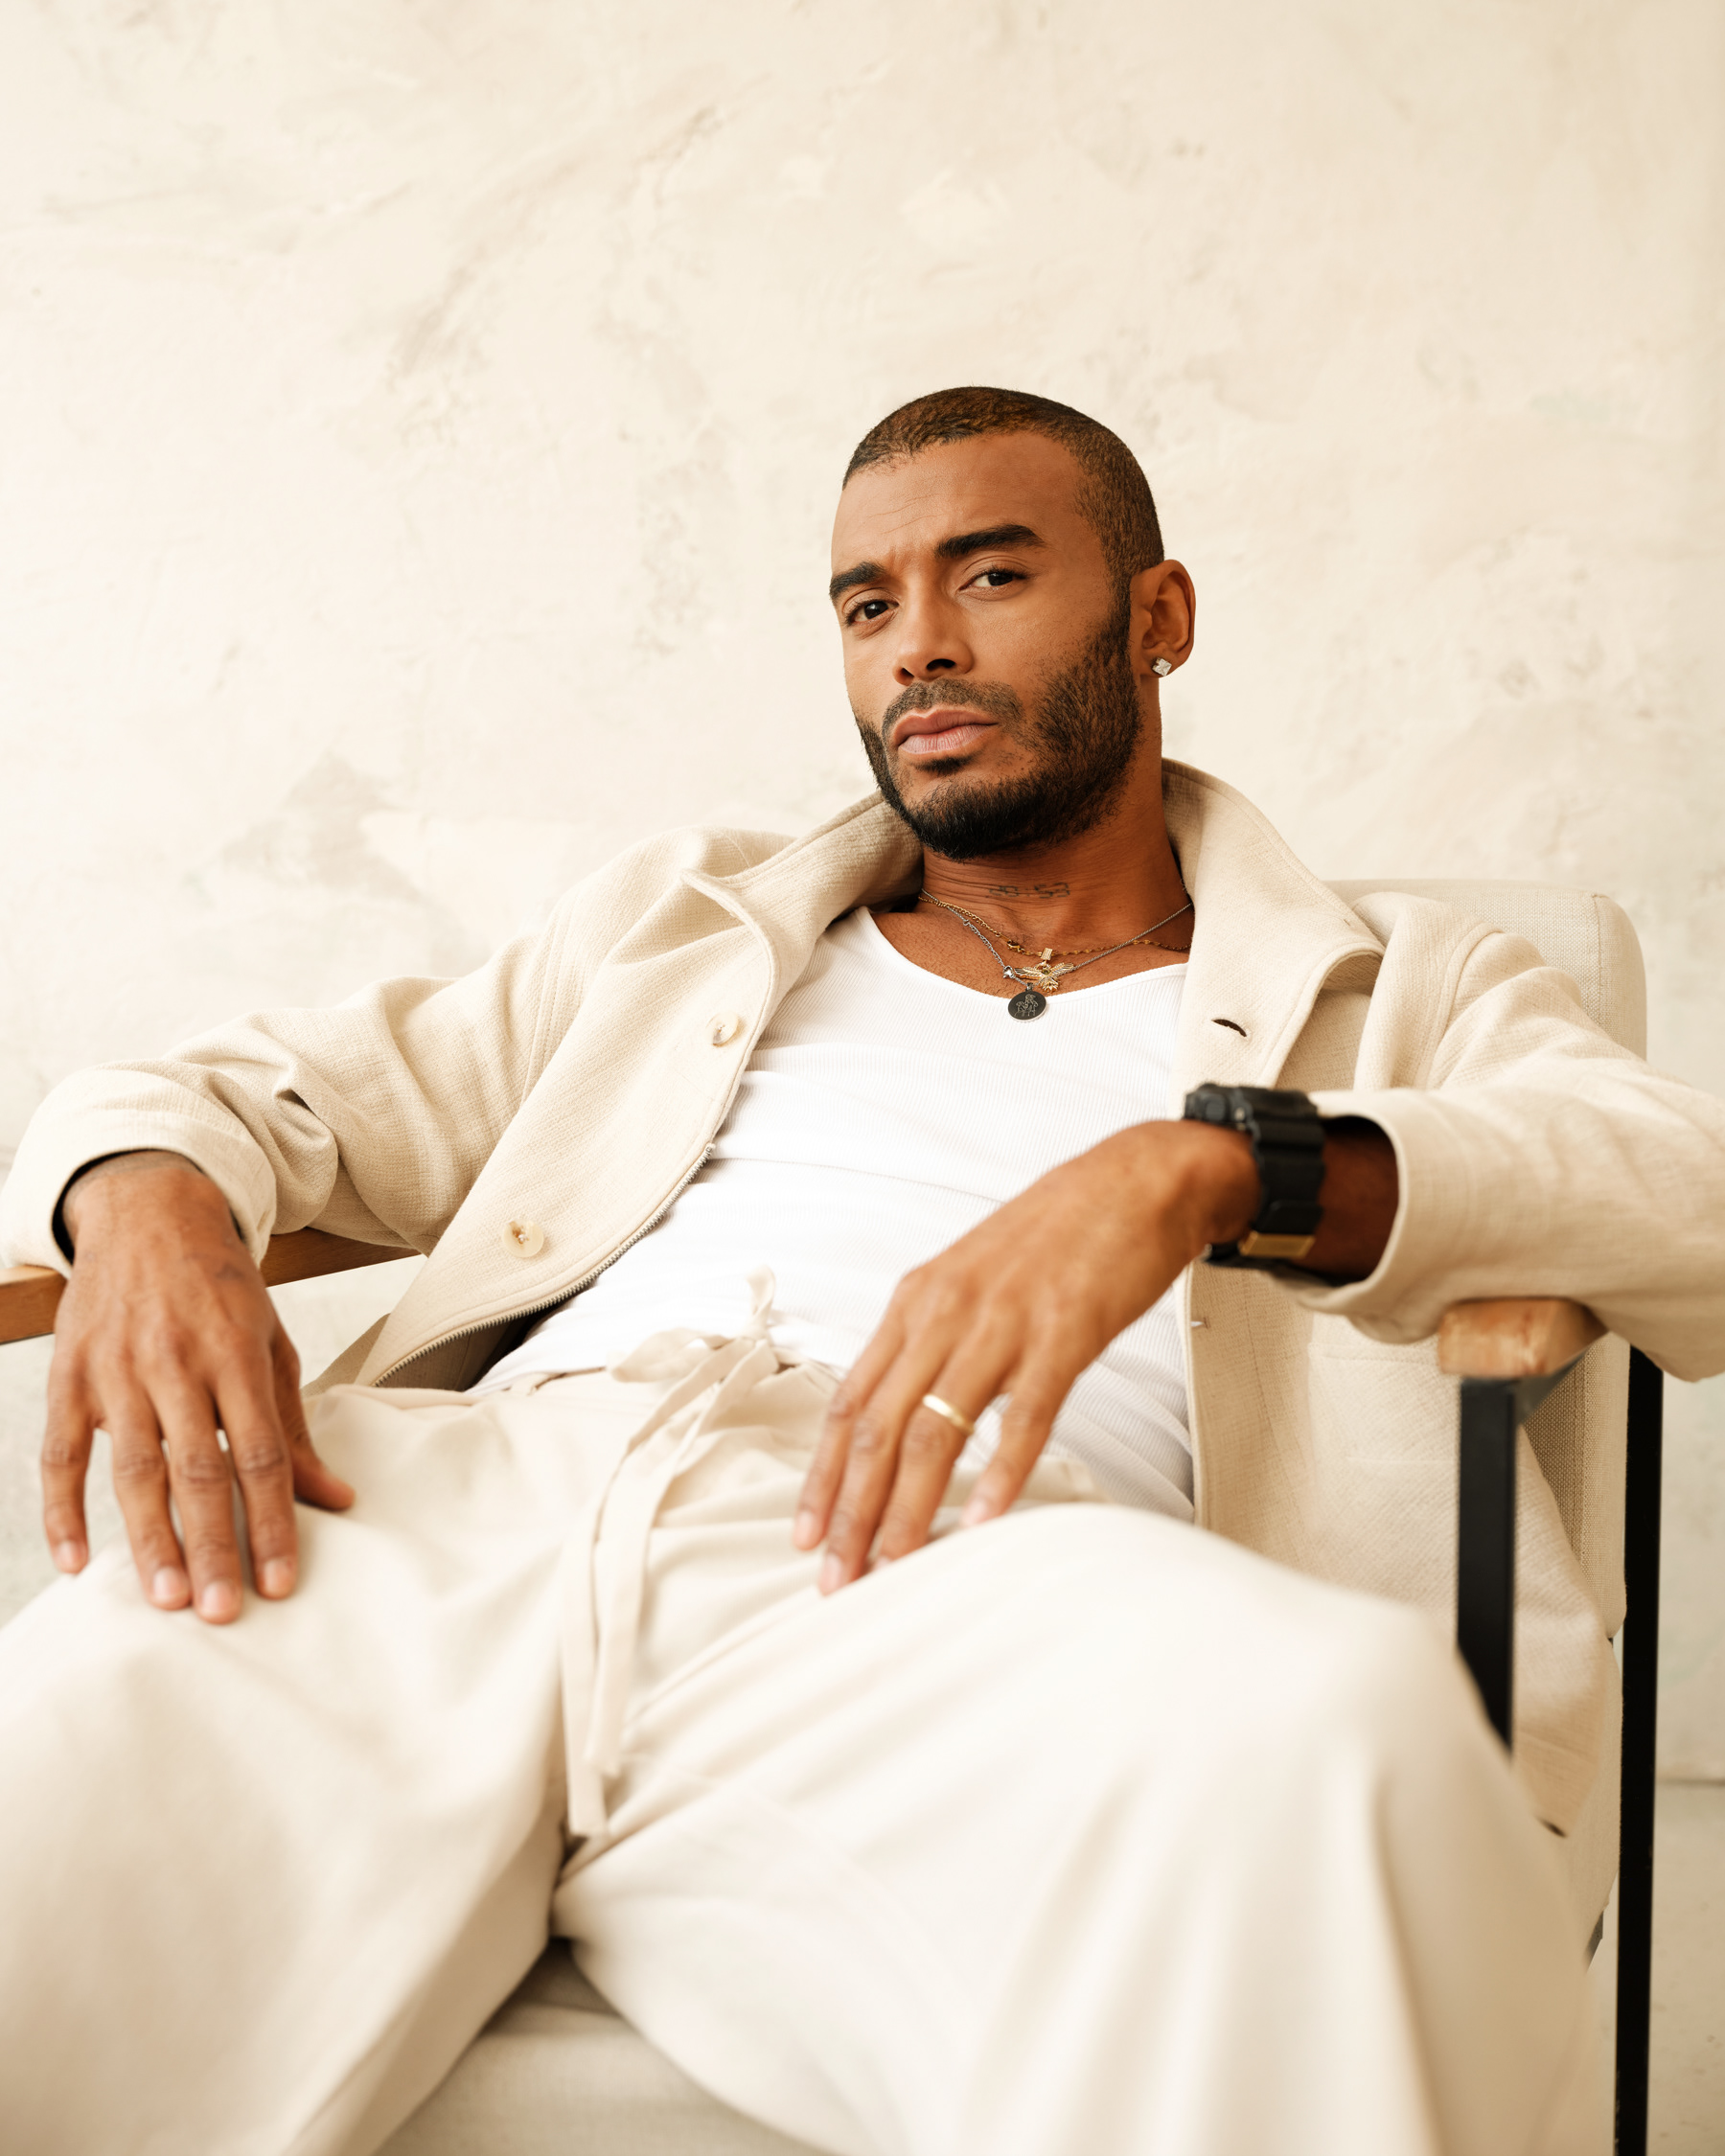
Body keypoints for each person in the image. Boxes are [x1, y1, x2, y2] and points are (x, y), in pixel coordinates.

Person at [2, 386, 1719, 2156]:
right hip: (447, 1523)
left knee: (1349, 1744)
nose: (919, 648)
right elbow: (246, 1094)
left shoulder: (1400, 983)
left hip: (952, 1574)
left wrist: (1212, 1165)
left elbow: (1691, 1195)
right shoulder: (698, 925)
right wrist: (145, 1211)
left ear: (1158, 617)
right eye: (867, 603)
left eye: (991, 575)